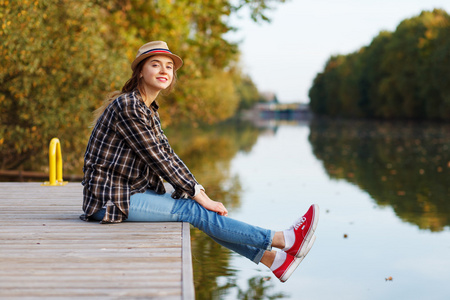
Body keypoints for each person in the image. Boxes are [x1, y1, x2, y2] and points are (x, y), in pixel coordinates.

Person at [80, 41, 319, 282]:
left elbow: (167, 153)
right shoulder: (129, 106)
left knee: (196, 206)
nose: (164, 71)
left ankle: (275, 261)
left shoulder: (148, 108)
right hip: (109, 199)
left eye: (169, 67)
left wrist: (198, 191)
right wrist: (199, 195)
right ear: (141, 71)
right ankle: (282, 240)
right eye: (155, 65)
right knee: (193, 209)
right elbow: (158, 158)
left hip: (129, 192)